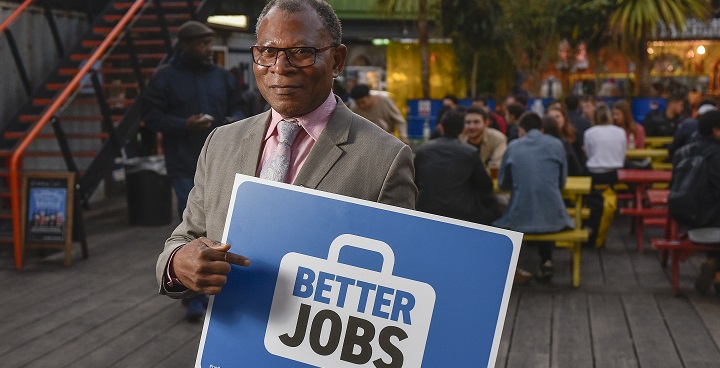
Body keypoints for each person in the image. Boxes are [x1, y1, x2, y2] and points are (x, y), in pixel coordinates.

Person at [155, 0, 417, 321]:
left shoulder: (385, 159)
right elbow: (187, 235)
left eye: (302, 52)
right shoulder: (220, 142)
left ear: (337, 60)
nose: (280, 67)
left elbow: (397, 280)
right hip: (231, 337)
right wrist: (177, 262)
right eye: (268, 51)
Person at [142, 20, 247, 321]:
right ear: (184, 45)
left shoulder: (223, 77)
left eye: (209, 43)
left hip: (225, 164)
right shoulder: (164, 78)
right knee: (191, 229)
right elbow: (150, 116)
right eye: (201, 44)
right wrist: (183, 125)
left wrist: (230, 122)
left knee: (224, 226)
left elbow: (242, 107)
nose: (207, 49)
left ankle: (217, 287)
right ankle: (192, 297)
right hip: (184, 164)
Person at [493, 112, 574, 282]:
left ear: (521, 129)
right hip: (554, 218)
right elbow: (562, 182)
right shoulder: (557, 144)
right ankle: (546, 261)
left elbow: (503, 184)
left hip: (519, 218)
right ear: (542, 129)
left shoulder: (514, 146)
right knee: (542, 205)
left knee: (502, 213)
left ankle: (511, 267)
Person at [414, 110, 495, 224]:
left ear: (441, 128)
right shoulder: (470, 152)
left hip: (426, 211)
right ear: (463, 129)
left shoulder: (423, 150)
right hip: (461, 214)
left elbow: (415, 182)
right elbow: (486, 186)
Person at [672, 110, 720, 294]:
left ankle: (715, 266)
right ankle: (715, 266)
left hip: (686, 225)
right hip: (711, 228)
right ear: (716, 131)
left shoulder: (683, 152)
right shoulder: (717, 156)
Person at [583, 104, 627, 247]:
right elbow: (623, 154)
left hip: (595, 174)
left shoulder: (589, 132)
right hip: (614, 173)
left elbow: (588, 154)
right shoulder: (620, 132)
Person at [461, 106, 507, 171]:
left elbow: (497, 166)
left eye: (476, 122)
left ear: (486, 123)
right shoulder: (458, 138)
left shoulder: (498, 138)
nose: (472, 126)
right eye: (468, 122)